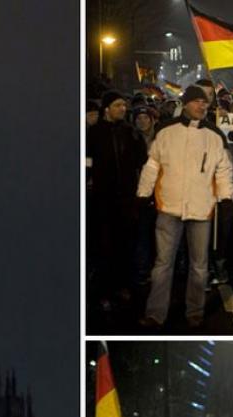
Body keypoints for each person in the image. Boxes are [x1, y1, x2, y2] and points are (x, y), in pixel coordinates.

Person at [138, 85, 233, 329]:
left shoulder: (214, 136)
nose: (202, 106)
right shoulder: (166, 131)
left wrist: (226, 197)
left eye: (205, 102)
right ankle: (155, 313)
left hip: (202, 208)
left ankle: (195, 311)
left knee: (199, 266)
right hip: (168, 206)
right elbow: (152, 164)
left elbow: (224, 169)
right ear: (186, 103)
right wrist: (143, 193)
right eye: (197, 101)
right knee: (162, 264)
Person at [87, 91, 147, 314]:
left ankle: (123, 286)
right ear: (107, 108)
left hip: (126, 200)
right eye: (118, 105)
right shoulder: (94, 134)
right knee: (104, 247)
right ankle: (104, 291)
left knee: (125, 245)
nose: (123, 108)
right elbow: (87, 160)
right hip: (103, 200)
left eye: (124, 105)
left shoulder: (131, 133)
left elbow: (142, 161)